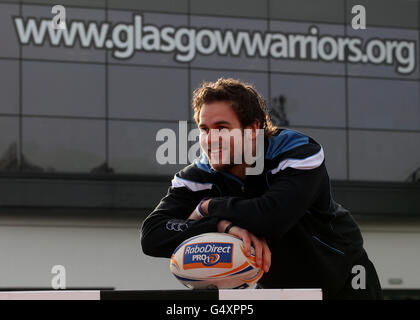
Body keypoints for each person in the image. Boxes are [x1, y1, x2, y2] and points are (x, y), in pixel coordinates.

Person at [141, 78, 383, 299]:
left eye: (222, 128)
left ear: (252, 128)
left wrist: (209, 206)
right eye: (204, 129)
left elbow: (271, 218)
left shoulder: (296, 152)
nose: (211, 139)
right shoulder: (198, 175)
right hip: (278, 293)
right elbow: (153, 236)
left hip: (344, 286)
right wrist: (220, 225)